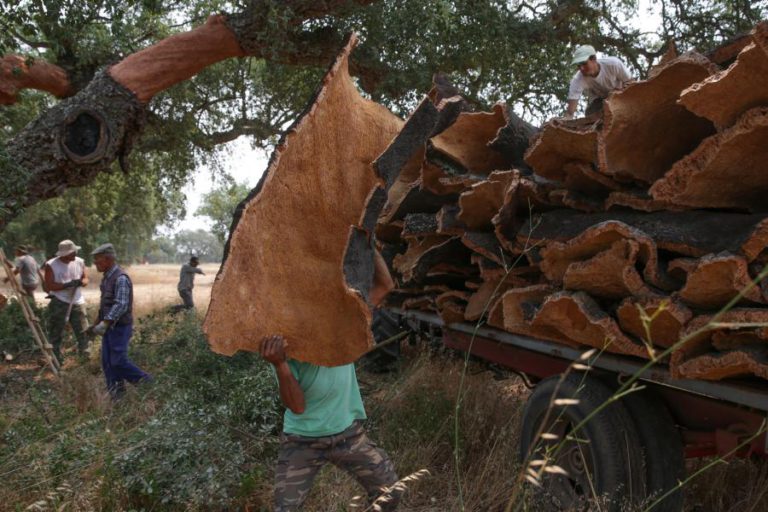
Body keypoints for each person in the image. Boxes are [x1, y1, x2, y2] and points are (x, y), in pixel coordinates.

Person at [260, 250, 401, 512]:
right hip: (302, 441)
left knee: (390, 492)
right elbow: (298, 407)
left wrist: (369, 244)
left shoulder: (342, 324)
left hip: (348, 434)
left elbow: (385, 286)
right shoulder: (286, 346)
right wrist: (280, 365)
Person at [88, 243, 151, 399]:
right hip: (109, 327)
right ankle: (118, 398)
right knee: (108, 364)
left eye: (98, 260)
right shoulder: (107, 278)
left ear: (109, 259)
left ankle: (149, 385)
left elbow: (121, 304)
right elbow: (105, 305)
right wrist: (96, 324)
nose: (95, 263)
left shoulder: (120, 278)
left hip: (119, 328)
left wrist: (105, 323)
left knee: (118, 362)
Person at [44, 239, 89, 362]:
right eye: (72, 252)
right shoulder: (51, 265)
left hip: (77, 301)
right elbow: (49, 285)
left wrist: (81, 282)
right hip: (59, 302)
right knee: (56, 332)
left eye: (75, 251)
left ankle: (85, 359)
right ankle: (56, 360)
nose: (75, 254)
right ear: (64, 254)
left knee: (83, 332)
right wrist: (66, 285)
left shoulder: (80, 262)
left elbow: (85, 278)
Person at [564, 44, 632, 119]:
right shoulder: (577, 80)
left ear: (594, 59)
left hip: (621, 97)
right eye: (578, 65)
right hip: (599, 103)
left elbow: (631, 83)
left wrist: (620, 94)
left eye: (584, 63)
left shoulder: (613, 64)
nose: (581, 68)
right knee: (591, 114)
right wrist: (563, 124)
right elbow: (570, 112)